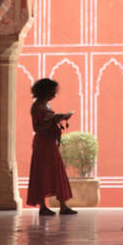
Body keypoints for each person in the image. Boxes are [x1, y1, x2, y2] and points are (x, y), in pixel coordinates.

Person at [25, 78, 76, 217]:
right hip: (43, 143)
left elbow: (49, 121)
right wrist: (53, 120)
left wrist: (59, 118)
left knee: (56, 172)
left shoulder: (45, 105)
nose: (53, 95)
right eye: (52, 93)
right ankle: (44, 206)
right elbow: (37, 128)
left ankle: (62, 205)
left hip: (49, 142)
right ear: (45, 92)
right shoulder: (37, 107)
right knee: (43, 173)